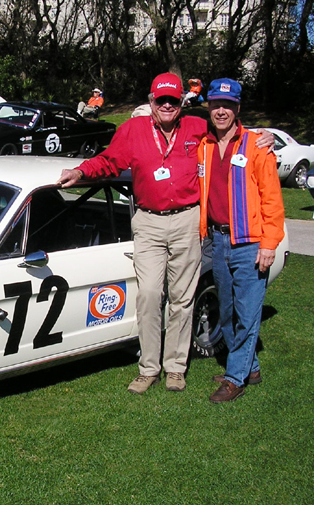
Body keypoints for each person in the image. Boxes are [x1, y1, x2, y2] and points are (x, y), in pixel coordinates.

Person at [59, 73, 205, 394]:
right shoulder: (133, 130)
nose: (167, 105)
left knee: (182, 298)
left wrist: (257, 137)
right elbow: (110, 162)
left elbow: (228, 135)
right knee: (150, 294)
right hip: (149, 221)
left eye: (173, 100)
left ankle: (176, 367)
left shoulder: (196, 127)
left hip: (187, 220)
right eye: (161, 100)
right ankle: (149, 367)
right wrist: (80, 171)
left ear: (181, 102)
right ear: (151, 102)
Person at [197, 78, 285, 403]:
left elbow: (272, 200)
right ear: (209, 107)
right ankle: (252, 367)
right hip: (218, 242)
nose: (221, 111)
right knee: (228, 310)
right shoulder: (204, 145)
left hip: (250, 243)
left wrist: (269, 243)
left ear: (237, 108)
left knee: (248, 313)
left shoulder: (256, 145)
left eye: (228, 105)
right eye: (216, 105)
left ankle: (235, 378)